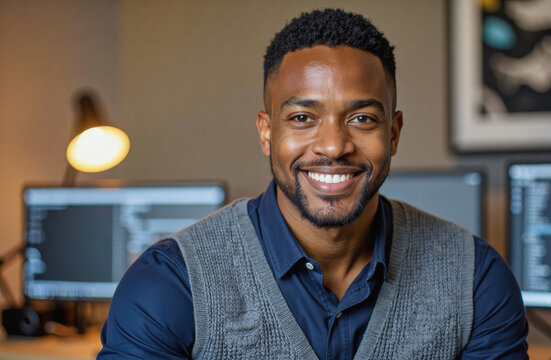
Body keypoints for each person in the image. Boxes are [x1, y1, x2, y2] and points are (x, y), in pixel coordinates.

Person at [98, 8, 528, 359]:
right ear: (267, 132)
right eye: (303, 118)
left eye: (362, 119)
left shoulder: (475, 279)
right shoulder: (170, 284)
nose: (334, 145)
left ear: (393, 134)